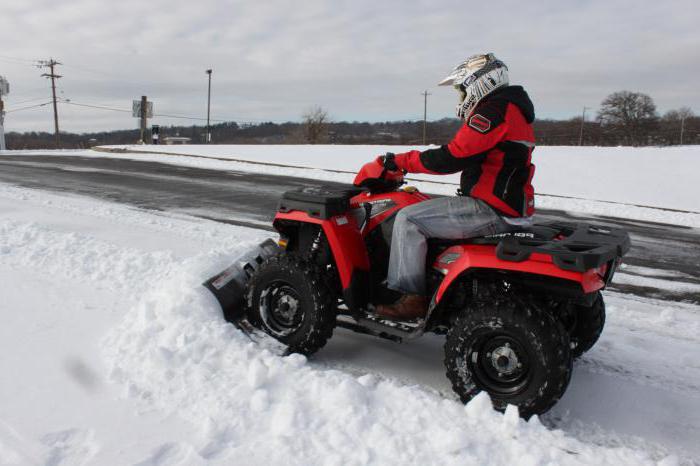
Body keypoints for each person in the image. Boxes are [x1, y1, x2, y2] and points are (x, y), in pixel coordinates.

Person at [375, 53, 536, 320]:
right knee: (423, 210)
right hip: (509, 205)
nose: (461, 98)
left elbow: (453, 157)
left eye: (462, 90)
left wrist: (402, 162)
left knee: (408, 219)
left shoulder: (493, 111)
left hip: (491, 208)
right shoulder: (513, 109)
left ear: (480, 82)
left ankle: (410, 296)